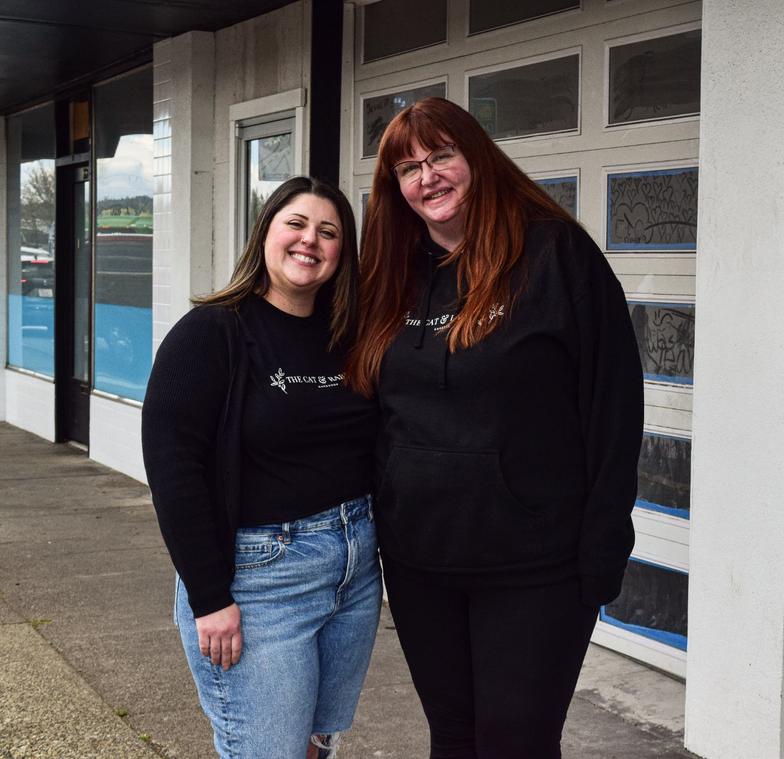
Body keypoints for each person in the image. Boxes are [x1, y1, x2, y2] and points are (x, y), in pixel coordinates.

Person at [346, 96, 644, 758]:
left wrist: (604, 544)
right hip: (422, 560)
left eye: (442, 155)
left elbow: (614, 407)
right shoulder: (392, 274)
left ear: (476, 156)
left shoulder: (554, 255)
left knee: (517, 742)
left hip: (537, 564)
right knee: (453, 736)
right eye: (408, 167)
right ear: (394, 187)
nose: (428, 176)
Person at [142, 176, 380, 759]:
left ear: (342, 253)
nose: (310, 241)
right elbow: (173, 470)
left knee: (314, 747)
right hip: (260, 579)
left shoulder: (348, 334)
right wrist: (208, 596)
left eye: (328, 232)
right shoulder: (212, 332)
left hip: (354, 569)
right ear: (265, 234)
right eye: (295, 224)